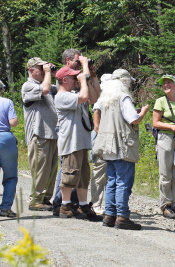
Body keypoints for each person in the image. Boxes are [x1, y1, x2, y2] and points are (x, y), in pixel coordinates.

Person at [93, 69, 149, 230]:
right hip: (122, 146)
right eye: (129, 82)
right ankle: (122, 216)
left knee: (111, 181)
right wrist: (143, 112)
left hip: (107, 146)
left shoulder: (105, 99)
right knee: (123, 182)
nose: (130, 85)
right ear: (124, 82)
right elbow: (133, 119)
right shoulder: (123, 97)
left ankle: (110, 215)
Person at [53, 48, 100, 216]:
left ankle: (83, 204)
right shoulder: (62, 96)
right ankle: (65, 205)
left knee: (83, 176)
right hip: (70, 142)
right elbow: (83, 97)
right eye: (73, 77)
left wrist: (91, 78)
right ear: (64, 80)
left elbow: (94, 98)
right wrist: (83, 78)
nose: (75, 80)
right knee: (69, 174)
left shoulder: (74, 92)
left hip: (81, 140)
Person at [21, 57, 58, 211]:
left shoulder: (47, 84)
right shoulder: (28, 86)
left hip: (52, 133)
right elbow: (45, 90)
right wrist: (48, 73)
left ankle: (46, 198)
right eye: (40, 68)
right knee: (40, 168)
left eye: (45, 68)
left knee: (51, 169)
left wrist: (55, 74)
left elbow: (61, 89)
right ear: (31, 70)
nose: (44, 71)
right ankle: (35, 199)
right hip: (39, 133)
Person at [153, 74, 175, 219]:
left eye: (169, 83)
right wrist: (171, 126)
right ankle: (165, 205)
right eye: (164, 83)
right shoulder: (160, 101)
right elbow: (155, 123)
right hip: (165, 138)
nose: (166, 85)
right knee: (166, 173)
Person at [89, 73, 112, 215]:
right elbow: (96, 126)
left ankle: (109, 205)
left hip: (111, 142)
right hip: (101, 141)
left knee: (110, 175)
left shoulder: (112, 101)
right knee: (99, 173)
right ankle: (96, 203)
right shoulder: (99, 103)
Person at [0, 80, 18, 217]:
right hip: (6, 139)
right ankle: (5, 207)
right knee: (10, 176)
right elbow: (13, 122)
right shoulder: (7, 102)